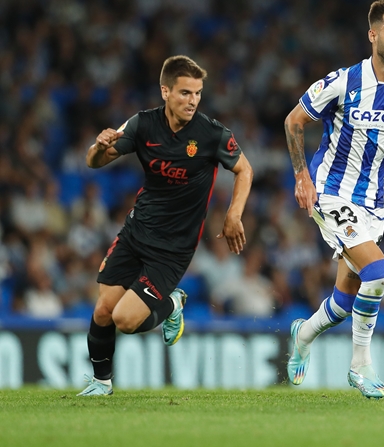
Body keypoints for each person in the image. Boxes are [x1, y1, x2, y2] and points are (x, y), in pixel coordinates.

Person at [284, 0, 384, 398]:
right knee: (380, 273)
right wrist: (302, 175)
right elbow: (294, 120)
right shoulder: (344, 81)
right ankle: (361, 366)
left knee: (345, 298)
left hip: (375, 203)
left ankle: (303, 333)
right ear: (372, 35)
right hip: (331, 192)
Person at [77, 55, 253, 396]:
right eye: (185, 93)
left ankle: (172, 303)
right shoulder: (143, 125)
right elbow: (94, 161)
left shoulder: (211, 134)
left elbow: (244, 170)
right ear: (165, 92)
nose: (193, 100)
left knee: (125, 320)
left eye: (198, 93)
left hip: (172, 248)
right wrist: (99, 148)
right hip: (136, 231)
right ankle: (101, 383)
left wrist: (233, 215)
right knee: (103, 309)